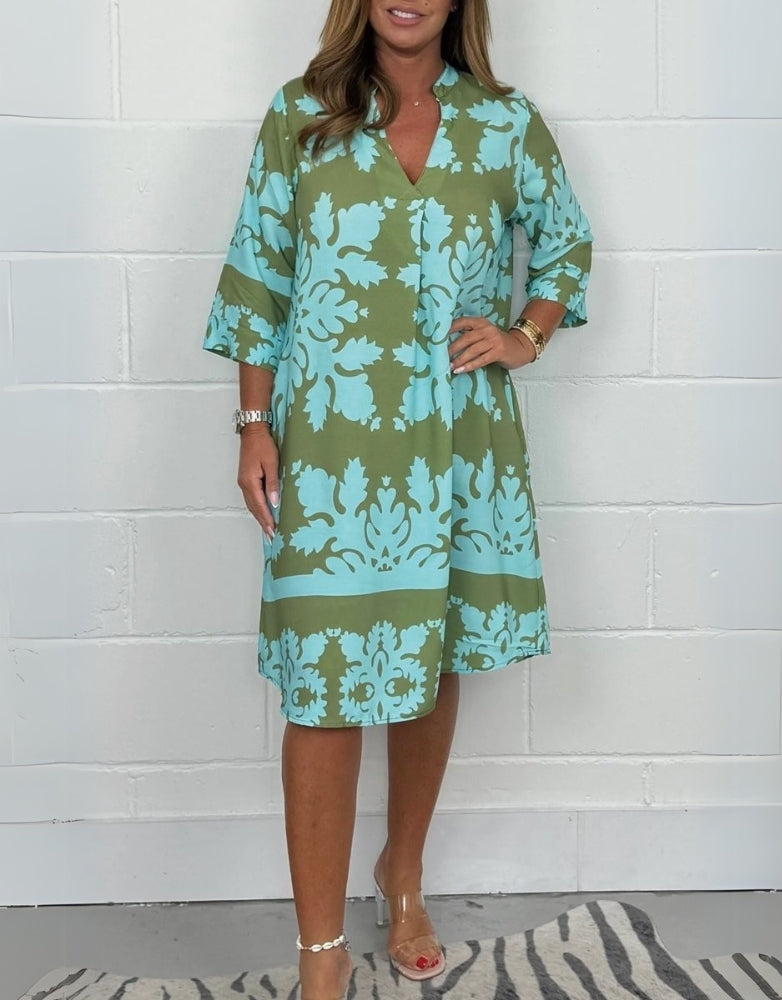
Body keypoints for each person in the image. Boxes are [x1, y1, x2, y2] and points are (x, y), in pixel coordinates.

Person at [202, 1, 593, 996]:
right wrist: (252, 424)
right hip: (329, 447)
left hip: (457, 440)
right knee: (323, 687)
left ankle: (403, 875)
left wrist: (523, 336)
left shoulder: (504, 123)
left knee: (431, 657)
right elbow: (258, 279)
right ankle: (321, 953)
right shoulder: (298, 115)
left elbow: (564, 243)